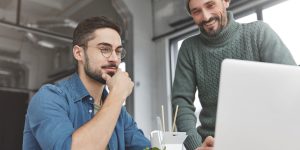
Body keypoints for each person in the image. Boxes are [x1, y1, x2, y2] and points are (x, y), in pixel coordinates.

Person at [171, 0, 296, 150]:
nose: (205, 17)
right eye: (196, 11)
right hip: (213, 144)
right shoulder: (188, 49)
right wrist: (196, 146)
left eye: (210, 5)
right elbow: (181, 104)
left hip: (267, 141)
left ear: (226, 1)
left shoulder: (259, 33)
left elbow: (293, 87)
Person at [23, 16, 151, 150]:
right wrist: (117, 94)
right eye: (105, 49)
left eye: (118, 51)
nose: (114, 58)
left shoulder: (119, 112)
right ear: (79, 53)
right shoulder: (49, 98)